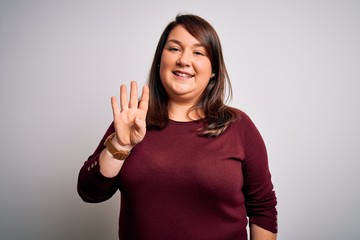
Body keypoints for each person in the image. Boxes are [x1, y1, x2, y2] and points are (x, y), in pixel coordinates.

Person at [77, 14, 277, 240]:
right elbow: (89, 192)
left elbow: (263, 208)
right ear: (160, 60)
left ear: (213, 70)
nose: (183, 60)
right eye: (174, 49)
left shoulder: (238, 127)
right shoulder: (133, 122)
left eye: (198, 52)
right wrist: (120, 145)